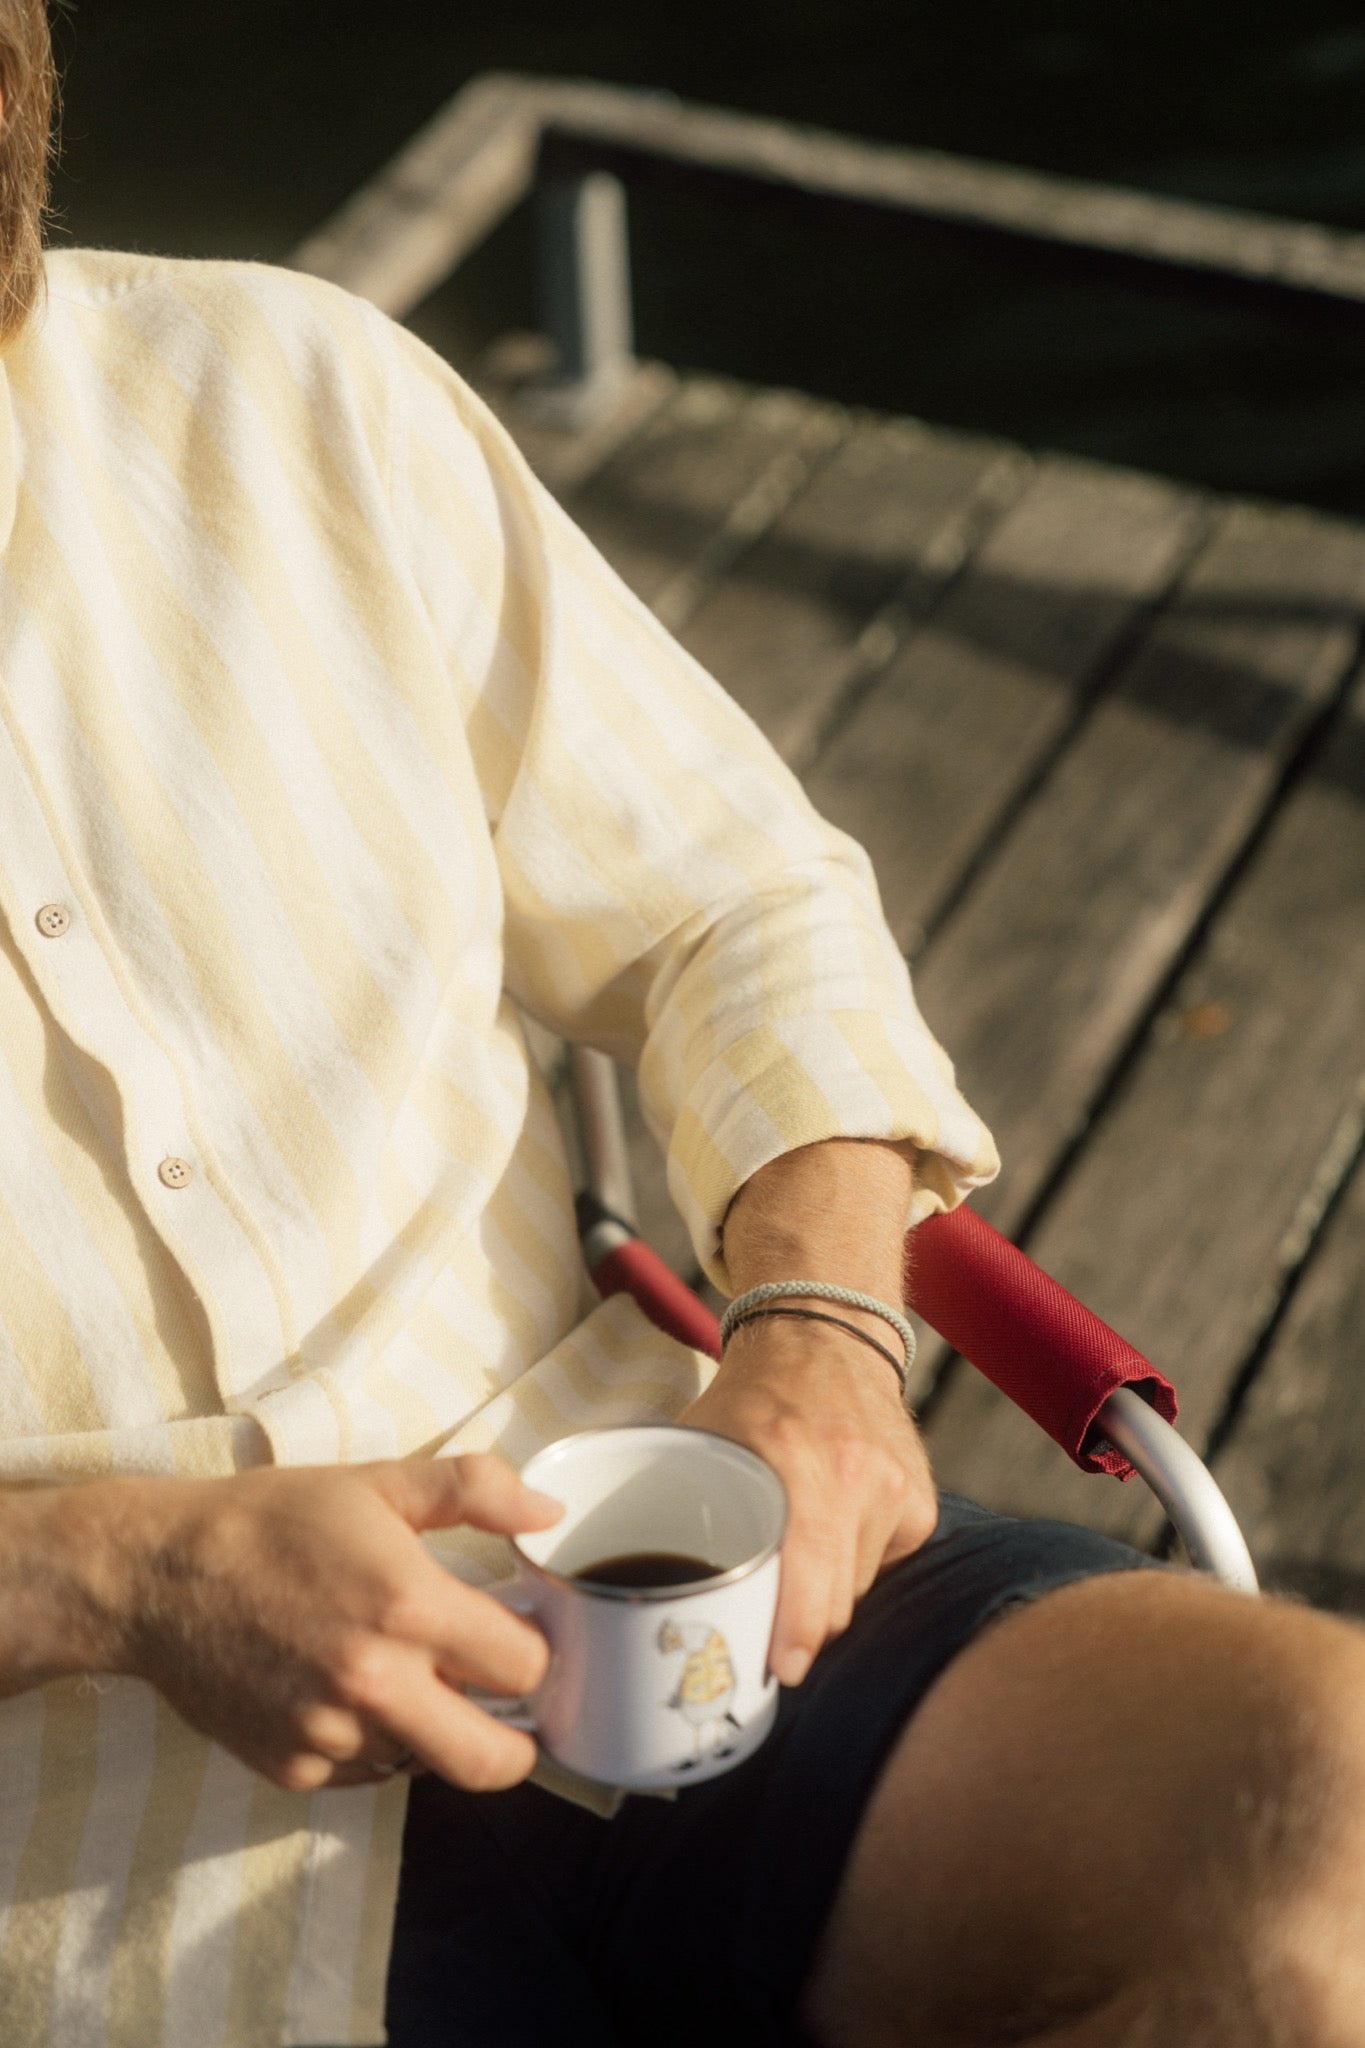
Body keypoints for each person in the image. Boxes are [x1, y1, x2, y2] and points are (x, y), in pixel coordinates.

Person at [1, 7, 1364, 2046]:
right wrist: (115, 1573)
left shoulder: (290, 392)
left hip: (628, 1565)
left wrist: (820, 1334)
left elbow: (734, 903)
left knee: (1318, 1822)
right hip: (83, 1865)